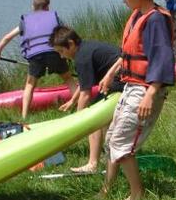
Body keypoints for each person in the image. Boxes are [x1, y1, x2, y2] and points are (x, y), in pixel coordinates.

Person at [98, 0, 175, 200]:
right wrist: (111, 74)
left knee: (121, 142)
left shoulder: (154, 21)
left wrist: (150, 94)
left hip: (145, 90)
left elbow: (163, 58)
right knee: (111, 138)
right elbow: (128, 53)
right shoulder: (138, 16)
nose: (123, 1)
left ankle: (137, 195)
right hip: (132, 86)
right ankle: (106, 189)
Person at [49, 25, 123, 174]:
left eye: (62, 52)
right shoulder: (85, 49)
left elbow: (86, 94)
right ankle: (108, 155)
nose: (62, 56)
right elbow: (84, 85)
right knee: (101, 119)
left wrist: (79, 120)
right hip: (123, 77)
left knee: (93, 118)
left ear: (70, 44)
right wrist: (72, 101)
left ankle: (92, 164)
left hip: (122, 79)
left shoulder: (82, 58)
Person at [0, 0, 75, 119]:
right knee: (68, 79)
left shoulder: (25, 21)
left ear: (33, 7)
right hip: (54, 52)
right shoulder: (54, 17)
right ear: (48, 7)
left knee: (30, 85)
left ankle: (24, 116)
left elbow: (7, 37)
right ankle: (81, 105)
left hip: (35, 55)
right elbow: (68, 32)